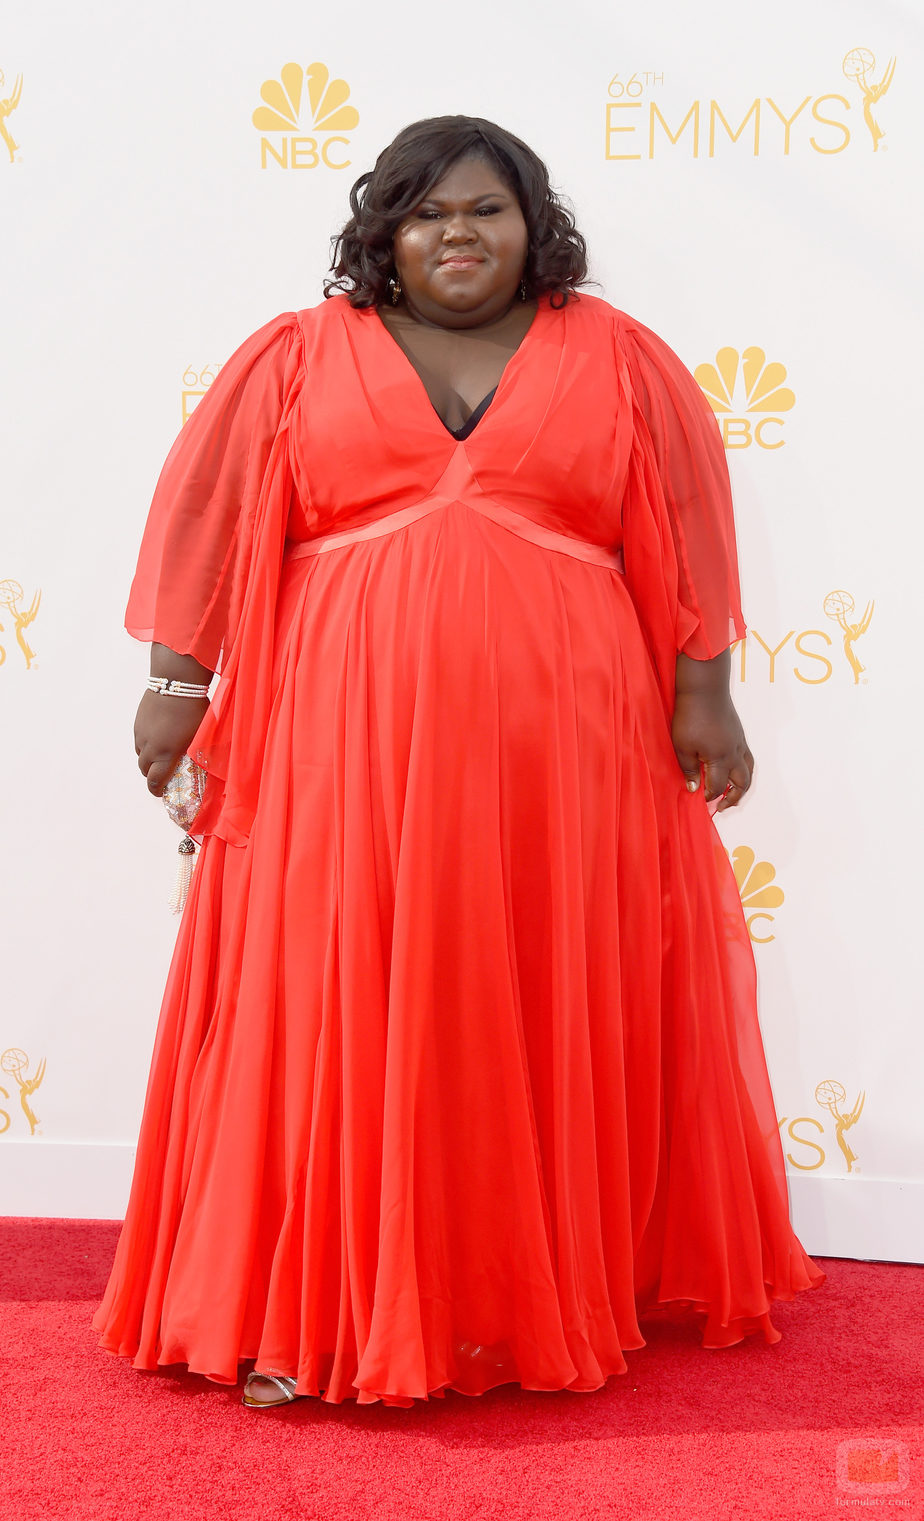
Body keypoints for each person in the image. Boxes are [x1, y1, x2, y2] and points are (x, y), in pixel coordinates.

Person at [93, 116, 825, 1409]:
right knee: (332, 990)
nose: (456, 235)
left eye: (485, 210)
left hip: (567, 748)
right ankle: (300, 1310)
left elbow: (690, 520)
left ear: (533, 223)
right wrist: (174, 681)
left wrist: (704, 692)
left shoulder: (619, 358)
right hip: (336, 740)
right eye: (425, 213)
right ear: (381, 230)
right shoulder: (294, 356)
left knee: (535, 994)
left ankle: (520, 1297)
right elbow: (206, 514)